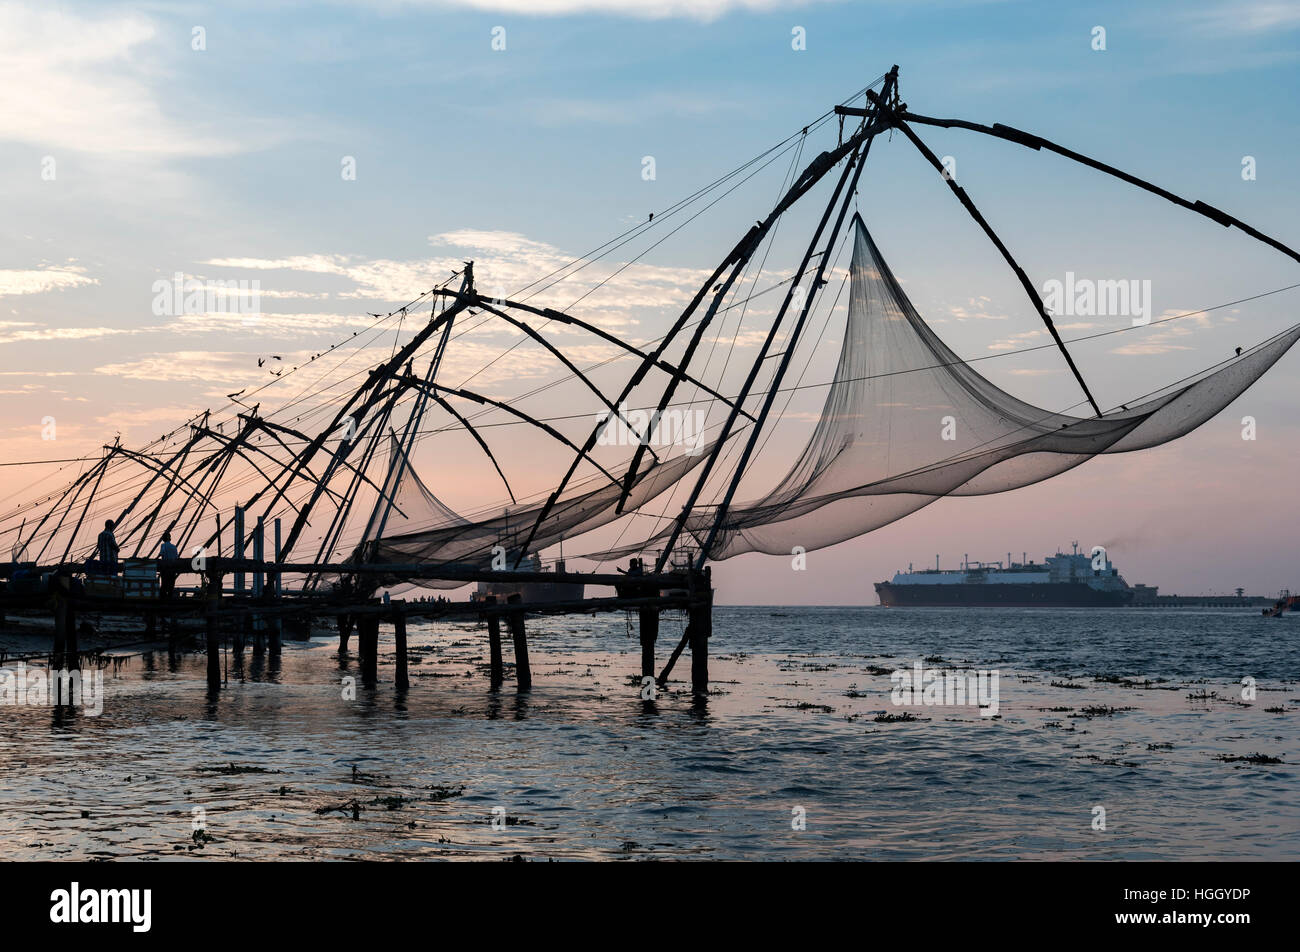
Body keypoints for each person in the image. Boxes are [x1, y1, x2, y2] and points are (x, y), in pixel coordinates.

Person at [158, 530, 179, 600]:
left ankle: (163, 599)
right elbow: (176, 557)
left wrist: (156, 559)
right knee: (171, 585)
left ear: (164, 538)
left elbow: (162, 554)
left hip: (165, 568)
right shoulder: (174, 547)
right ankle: (170, 598)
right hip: (173, 569)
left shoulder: (163, 545)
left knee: (164, 584)